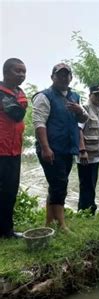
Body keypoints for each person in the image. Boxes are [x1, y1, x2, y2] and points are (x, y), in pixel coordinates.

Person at [33, 63, 89, 231]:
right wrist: (45, 148)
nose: (64, 78)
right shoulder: (44, 96)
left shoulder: (75, 96)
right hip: (51, 148)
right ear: (52, 77)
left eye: (67, 75)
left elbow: (83, 120)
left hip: (67, 149)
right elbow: (39, 123)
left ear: (71, 77)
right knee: (60, 185)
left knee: (55, 185)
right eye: (60, 75)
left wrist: (80, 110)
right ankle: (62, 225)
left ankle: (49, 223)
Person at [0, 58, 28, 238]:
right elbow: (17, 113)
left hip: (14, 150)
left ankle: (6, 230)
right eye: (18, 71)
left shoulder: (19, 92)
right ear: (6, 72)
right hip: (0, 149)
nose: (22, 75)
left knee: (10, 190)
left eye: (24, 72)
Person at [76, 85, 99, 215]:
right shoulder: (84, 109)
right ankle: (84, 212)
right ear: (90, 95)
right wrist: (82, 151)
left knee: (91, 184)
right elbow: (78, 130)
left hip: (95, 155)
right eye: (97, 94)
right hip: (86, 155)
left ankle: (90, 210)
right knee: (86, 185)